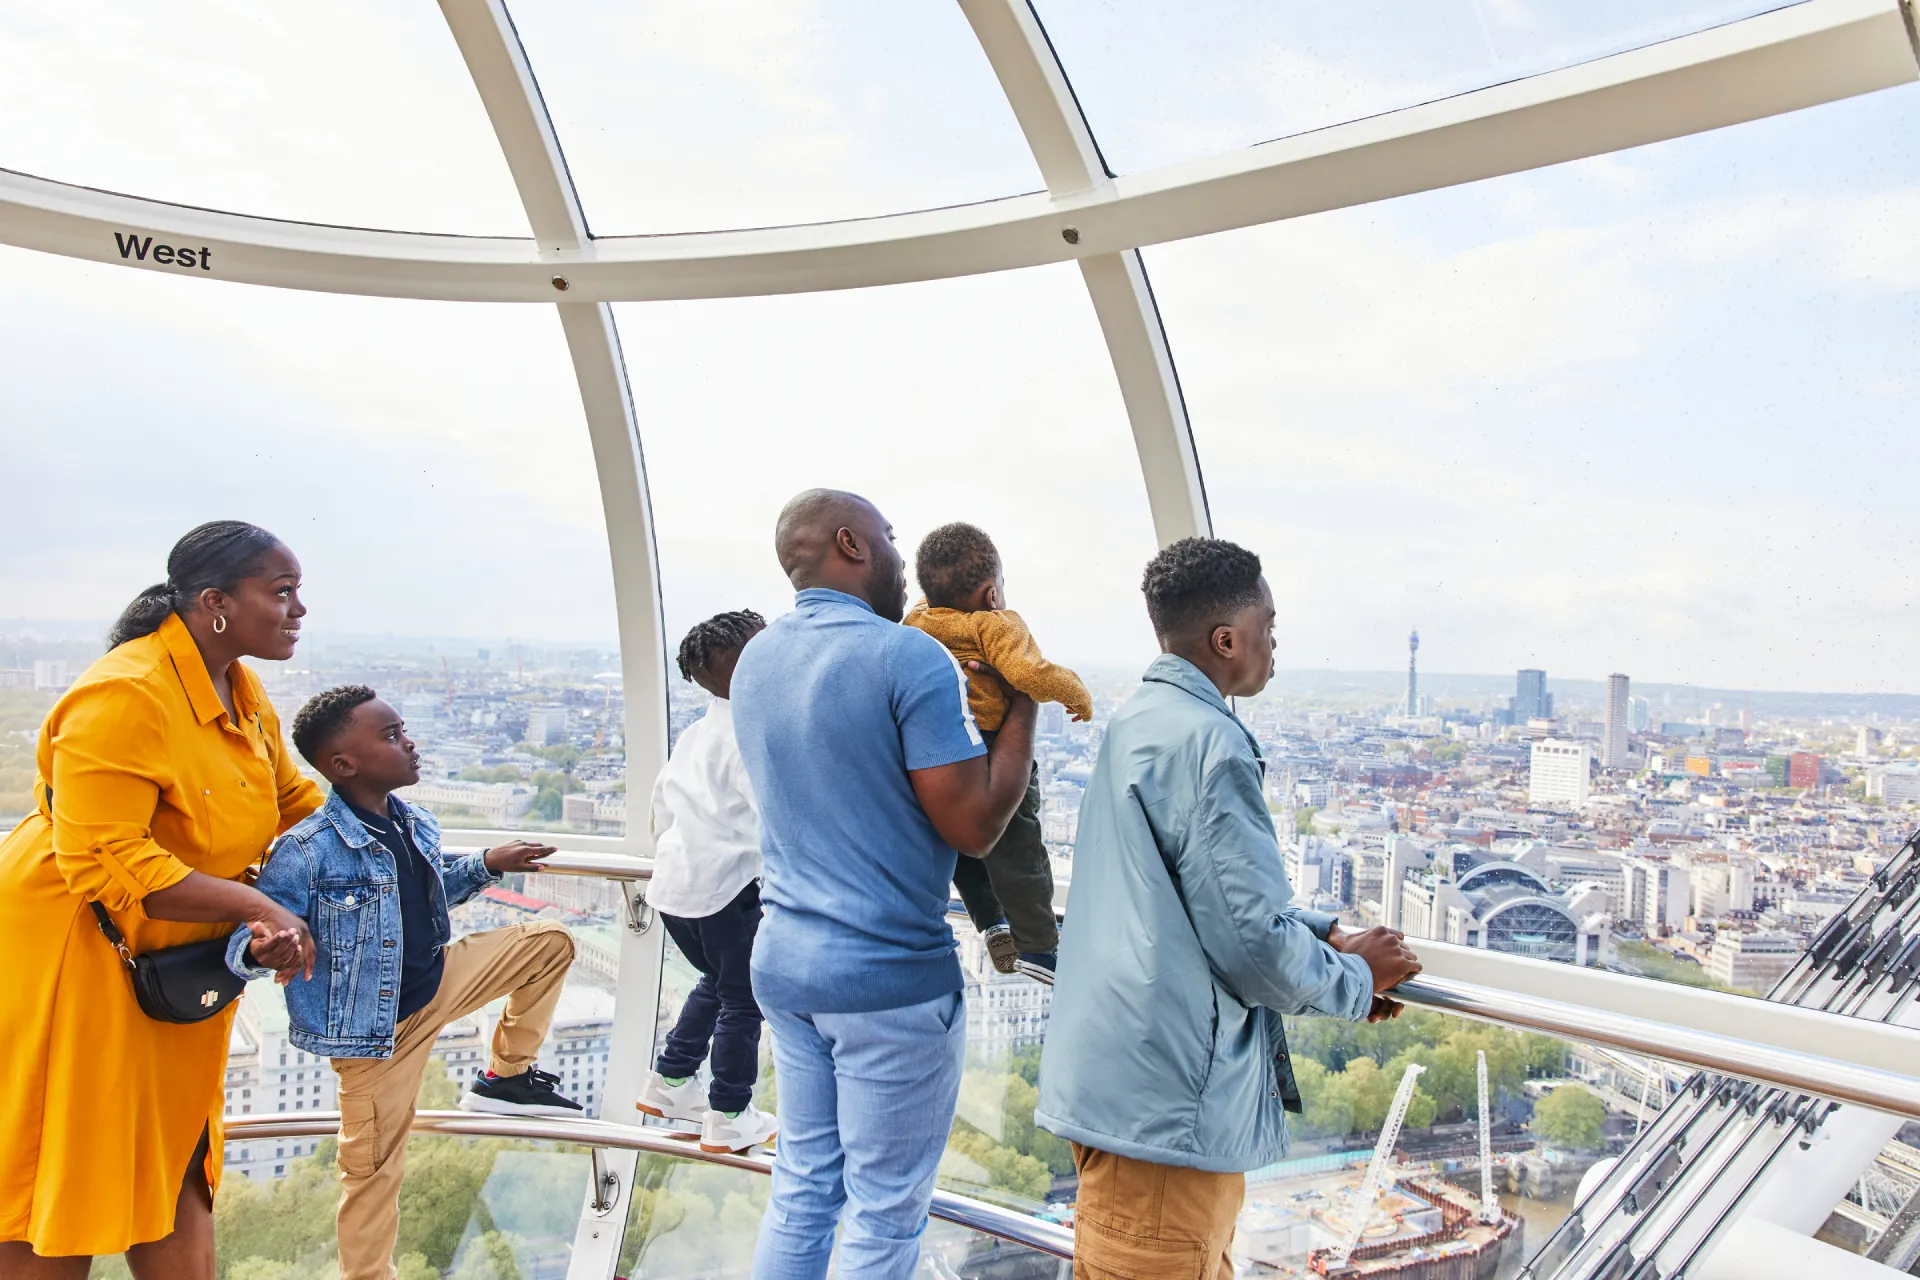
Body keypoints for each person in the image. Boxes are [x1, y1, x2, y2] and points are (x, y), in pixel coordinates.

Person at [1036, 537, 1423, 1279]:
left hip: (1123, 1090)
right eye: (1269, 625)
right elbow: (1250, 945)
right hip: (1166, 1121)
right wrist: (1354, 979)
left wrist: (1322, 936)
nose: (1275, 643)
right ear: (1227, 639)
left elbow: (1184, 899)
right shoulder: (1213, 742)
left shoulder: (1141, 720)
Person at [0, 521, 322, 1278]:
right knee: (52, 1173)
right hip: (70, 962)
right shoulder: (124, 694)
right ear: (215, 603)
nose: (299, 610)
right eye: (281, 593)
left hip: (169, 972)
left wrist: (406, 854)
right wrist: (259, 910)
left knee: (176, 1161)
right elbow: (106, 860)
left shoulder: (240, 694)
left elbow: (296, 806)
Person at [732, 489, 1036, 1279]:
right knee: (885, 1212)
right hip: (886, 983)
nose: (904, 560)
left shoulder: (759, 657)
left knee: (801, 1189)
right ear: (851, 543)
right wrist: (1026, 698)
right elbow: (973, 825)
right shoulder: (907, 656)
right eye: (891, 539)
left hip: (785, 966)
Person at [228, 685, 580, 1280]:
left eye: (404, 729)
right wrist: (266, 947)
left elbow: (425, 892)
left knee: (550, 942)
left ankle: (506, 1076)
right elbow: (246, 939)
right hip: (376, 1035)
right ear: (344, 765)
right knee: (371, 1175)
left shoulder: (413, 820)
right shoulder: (306, 850)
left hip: (438, 979)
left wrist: (488, 863)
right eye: (391, 736)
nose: (410, 742)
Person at [904, 522, 1091, 974]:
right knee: (1019, 847)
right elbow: (1030, 675)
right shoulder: (996, 624)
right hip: (990, 743)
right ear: (992, 592)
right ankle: (1042, 947)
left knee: (958, 844)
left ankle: (991, 924)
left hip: (938, 746)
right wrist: (1076, 694)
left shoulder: (917, 619)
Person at [634, 609, 779, 1154]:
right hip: (727, 890)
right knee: (744, 1001)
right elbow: (771, 816)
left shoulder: (698, 731)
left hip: (675, 888)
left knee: (717, 984)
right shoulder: (753, 732)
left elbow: (661, 807)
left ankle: (669, 1081)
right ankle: (729, 1113)